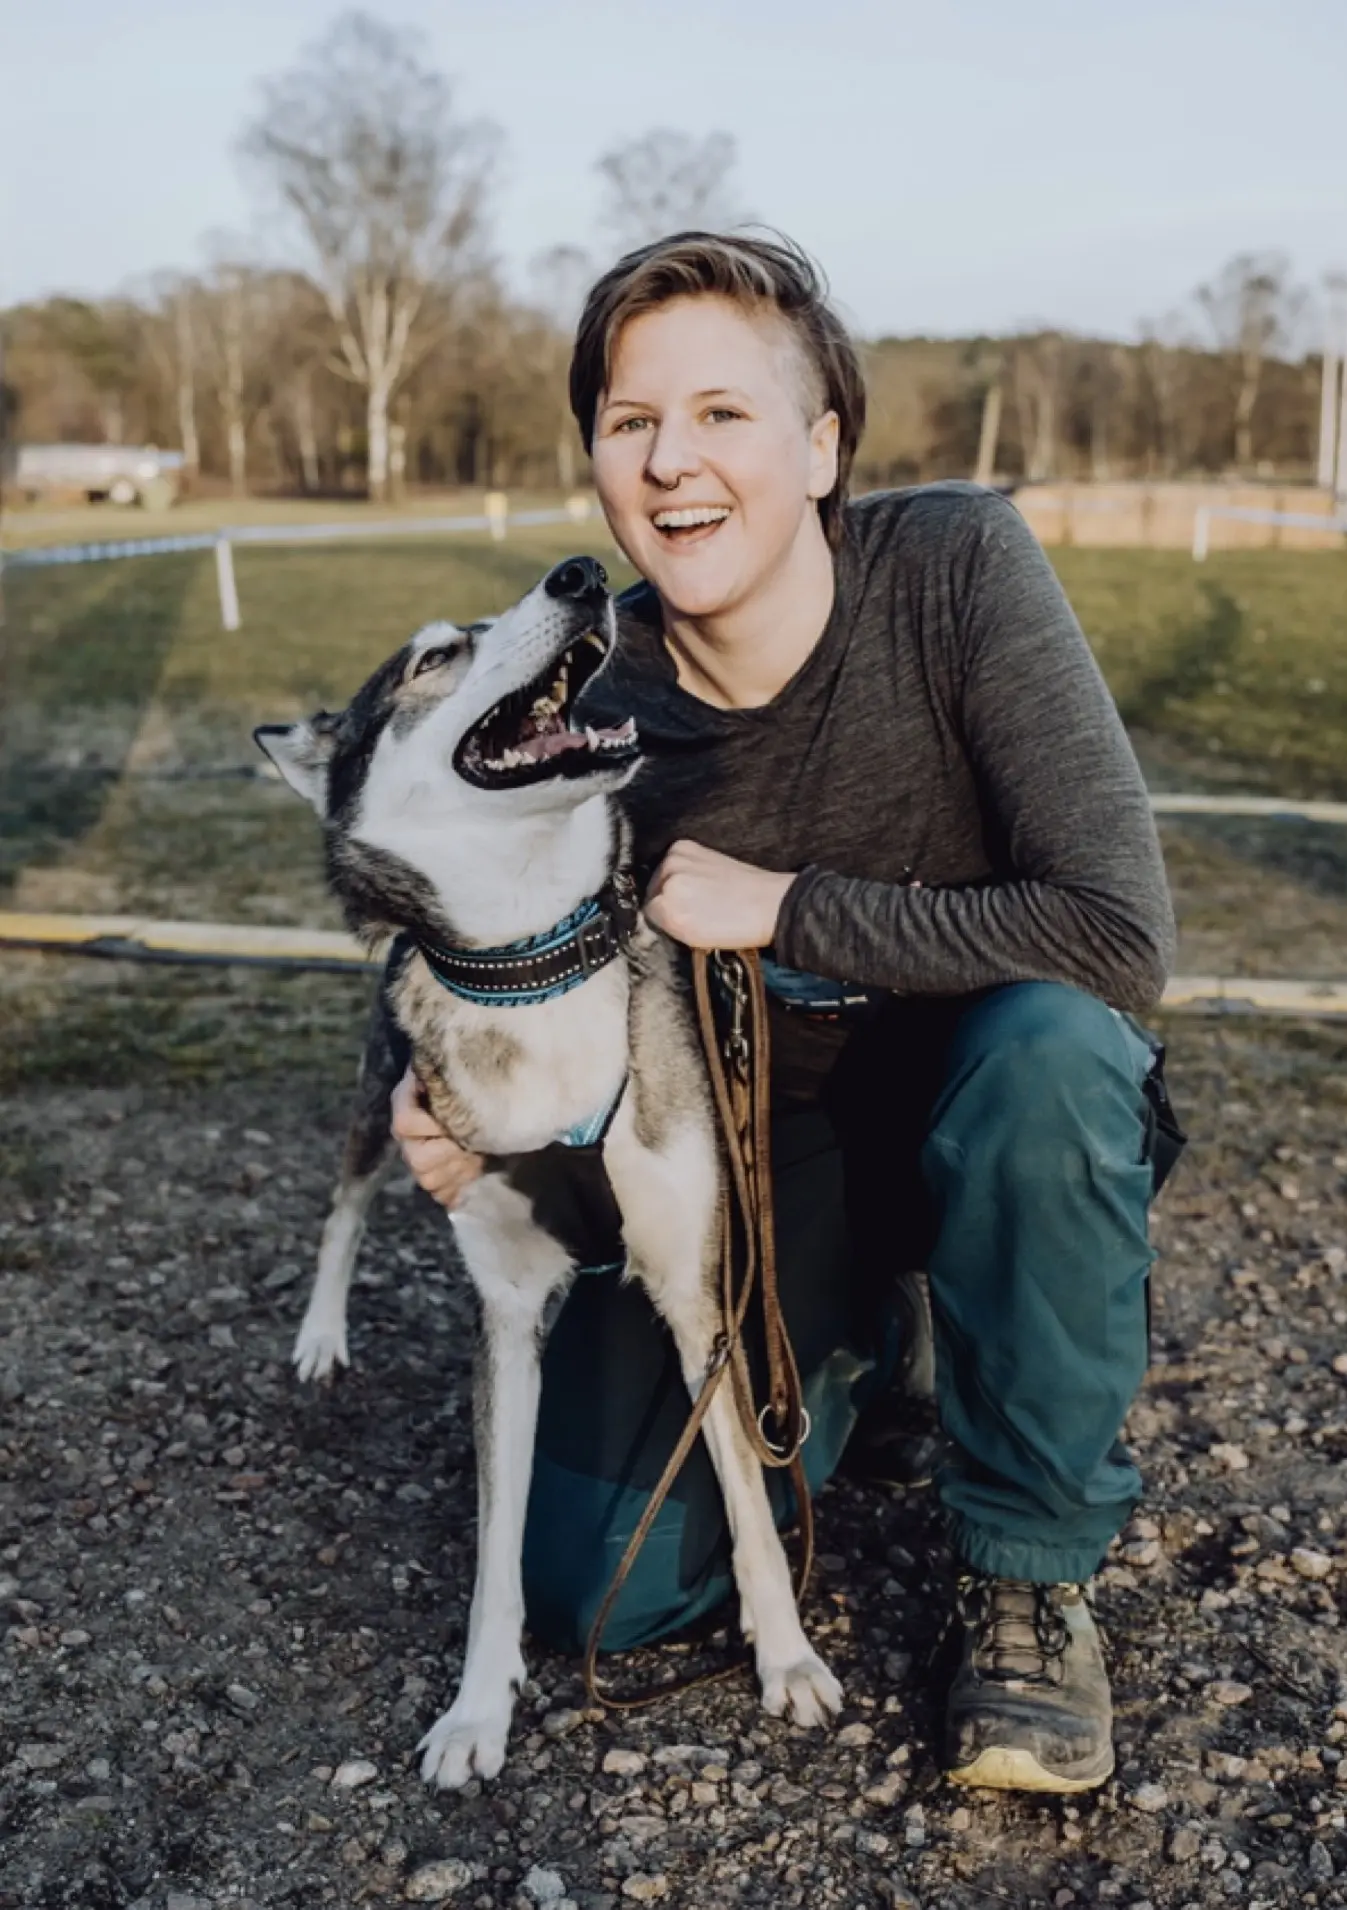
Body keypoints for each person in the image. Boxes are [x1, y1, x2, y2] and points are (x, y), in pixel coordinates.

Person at [390, 231, 1178, 1795]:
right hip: (761, 1157)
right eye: (629, 423)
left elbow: (1113, 934)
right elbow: (485, 951)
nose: (671, 462)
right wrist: (460, 1104)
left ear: (820, 448)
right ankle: (866, 1336)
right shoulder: (584, 709)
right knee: (600, 1580)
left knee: (1048, 1052)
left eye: (722, 415)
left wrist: (788, 906)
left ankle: (1024, 1567)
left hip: (997, 1097)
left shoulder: (955, 566)